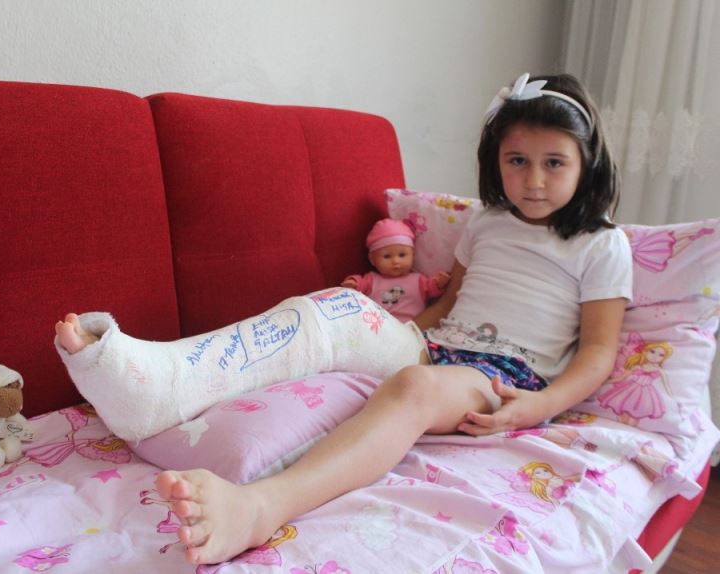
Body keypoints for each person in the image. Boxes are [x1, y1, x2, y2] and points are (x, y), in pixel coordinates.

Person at [55, 72, 632, 565]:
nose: (534, 180)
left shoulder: (600, 244)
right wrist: (392, 329)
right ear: (495, 160)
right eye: (518, 161)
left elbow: (597, 351)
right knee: (337, 307)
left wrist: (540, 405)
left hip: (503, 377)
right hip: (431, 344)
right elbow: (451, 301)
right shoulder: (485, 222)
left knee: (415, 387)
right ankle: (157, 383)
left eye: (554, 163)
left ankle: (261, 507)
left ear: (587, 164)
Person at [341, 218, 450, 322]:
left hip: (414, 325)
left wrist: (438, 283)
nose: (395, 261)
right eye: (387, 256)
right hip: (380, 325)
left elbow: (431, 288)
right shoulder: (372, 280)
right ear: (372, 260)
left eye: (402, 255)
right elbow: (360, 284)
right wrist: (353, 283)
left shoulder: (419, 280)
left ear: (413, 255)